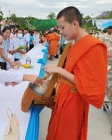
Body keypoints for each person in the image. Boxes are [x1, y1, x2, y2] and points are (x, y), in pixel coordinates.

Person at [44, 6, 107, 140]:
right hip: (62, 97)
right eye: (58, 28)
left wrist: (59, 70)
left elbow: (89, 84)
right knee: (55, 131)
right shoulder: (72, 43)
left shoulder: (94, 46)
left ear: (75, 24)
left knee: (67, 134)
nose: (60, 31)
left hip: (74, 102)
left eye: (62, 27)